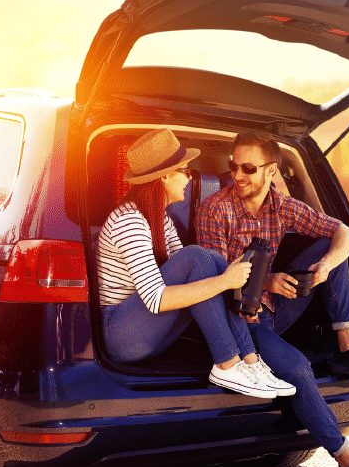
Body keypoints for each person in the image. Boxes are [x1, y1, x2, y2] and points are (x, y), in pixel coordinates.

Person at [195, 130, 349, 467]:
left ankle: (348, 346)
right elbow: (216, 283)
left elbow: (347, 234)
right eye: (232, 166)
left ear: (271, 170)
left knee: (330, 247)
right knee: (298, 368)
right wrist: (268, 280)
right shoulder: (216, 209)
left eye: (248, 167)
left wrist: (324, 266)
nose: (236, 175)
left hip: (273, 308)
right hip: (239, 319)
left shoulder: (282, 206)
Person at [96, 128, 295, 400]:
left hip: (147, 333)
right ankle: (226, 363)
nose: (190, 179)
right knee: (201, 258)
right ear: (165, 176)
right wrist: (225, 282)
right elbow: (157, 300)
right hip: (121, 337)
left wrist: (226, 281)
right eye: (186, 171)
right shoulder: (129, 221)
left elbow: (198, 273)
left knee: (210, 260)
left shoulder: (160, 219)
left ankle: (249, 361)